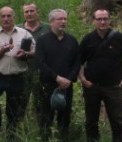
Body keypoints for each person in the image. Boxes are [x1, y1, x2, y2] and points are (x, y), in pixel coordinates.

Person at [79, 9, 122, 142]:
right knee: (91, 120)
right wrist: (82, 79)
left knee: (117, 120)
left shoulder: (119, 37)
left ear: (109, 20)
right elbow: (78, 61)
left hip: (113, 86)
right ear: (94, 21)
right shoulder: (88, 39)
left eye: (105, 18)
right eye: (99, 19)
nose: (102, 21)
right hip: (91, 86)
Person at [0, 6, 34, 140]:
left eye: (9, 16)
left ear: (14, 17)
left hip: (17, 77)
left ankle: (11, 136)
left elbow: (35, 51)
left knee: (14, 111)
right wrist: (2, 51)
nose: (6, 19)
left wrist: (25, 53)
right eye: (3, 16)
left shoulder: (24, 34)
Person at [34, 9, 80, 142]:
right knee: (46, 117)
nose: (63, 22)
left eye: (65, 19)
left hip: (66, 86)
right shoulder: (43, 41)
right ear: (51, 21)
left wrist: (69, 79)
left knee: (65, 118)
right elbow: (40, 63)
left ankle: (63, 139)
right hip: (48, 85)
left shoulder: (71, 40)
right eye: (60, 19)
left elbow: (77, 62)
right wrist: (57, 77)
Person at [16, 3, 51, 119]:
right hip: (22, 71)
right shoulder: (18, 29)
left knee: (40, 103)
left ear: (37, 12)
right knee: (20, 103)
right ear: (23, 14)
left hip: (41, 71)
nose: (29, 14)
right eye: (26, 12)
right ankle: (16, 130)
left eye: (32, 11)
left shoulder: (48, 28)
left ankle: (43, 130)